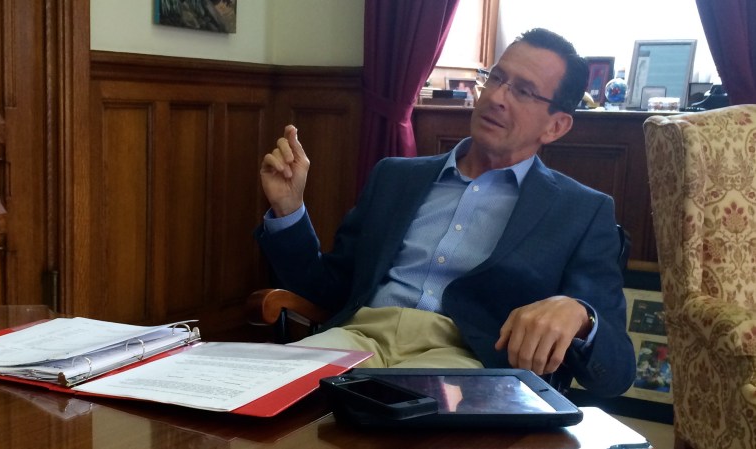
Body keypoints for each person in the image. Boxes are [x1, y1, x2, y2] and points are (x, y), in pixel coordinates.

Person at [255, 28, 635, 398]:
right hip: (356, 337)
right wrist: (289, 210)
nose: (498, 97)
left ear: (556, 125)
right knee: (254, 393)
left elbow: (616, 372)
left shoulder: (582, 211)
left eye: (522, 90)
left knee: (385, 423)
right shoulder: (395, 177)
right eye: (497, 77)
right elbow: (328, 288)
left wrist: (581, 316)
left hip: (464, 359)